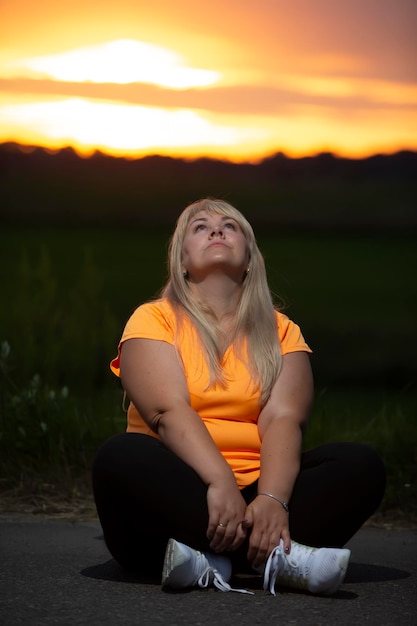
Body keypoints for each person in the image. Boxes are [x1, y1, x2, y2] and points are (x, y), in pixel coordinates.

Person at [92, 198, 386, 596]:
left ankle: (214, 561)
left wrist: (272, 500)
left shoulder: (282, 331)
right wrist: (219, 482)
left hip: (259, 491)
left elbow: (284, 418)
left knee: (361, 465)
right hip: (178, 490)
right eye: (200, 227)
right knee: (119, 456)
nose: (216, 230)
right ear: (181, 261)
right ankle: (279, 558)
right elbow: (166, 410)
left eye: (230, 226)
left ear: (249, 258)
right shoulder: (154, 318)